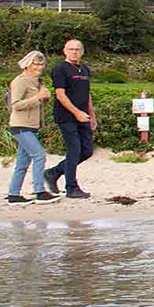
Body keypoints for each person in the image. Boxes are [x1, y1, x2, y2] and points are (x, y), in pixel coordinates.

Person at [7, 51, 61, 206]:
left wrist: (44, 99)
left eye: (41, 64)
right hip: (20, 125)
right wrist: (37, 97)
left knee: (23, 162)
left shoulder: (38, 81)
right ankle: (40, 191)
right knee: (39, 155)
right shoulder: (20, 81)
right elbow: (16, 105)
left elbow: (37, 104)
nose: (39, 67)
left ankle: (13, 194)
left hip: (32, 126)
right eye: (35, 64)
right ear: (27, 64)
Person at [44, 39, 97, 199]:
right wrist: (76, 112)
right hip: (66, 116)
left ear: (82, 52)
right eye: (71, 49)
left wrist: (91, 115)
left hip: (83, 116)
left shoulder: (85, 69)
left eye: (77, 49)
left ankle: (54, 172)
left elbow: (87, 94)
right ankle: (71, 187)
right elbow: (60, 94)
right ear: (65, 51)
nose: (74, 52)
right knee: (74, 150)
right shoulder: (60, 68)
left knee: (86, 151)